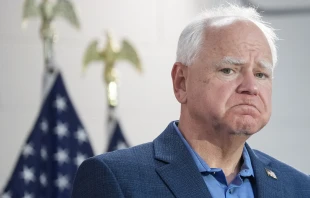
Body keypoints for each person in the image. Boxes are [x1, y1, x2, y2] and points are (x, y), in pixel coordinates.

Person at [71, 4, 310, 198]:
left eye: (261, 74)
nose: (251, 87)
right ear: (181, 82)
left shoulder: (299, 188)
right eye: (228, 70)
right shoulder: (115, 178)